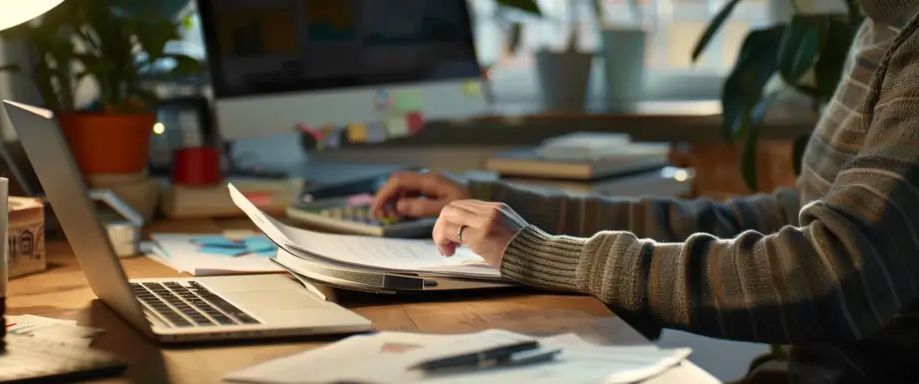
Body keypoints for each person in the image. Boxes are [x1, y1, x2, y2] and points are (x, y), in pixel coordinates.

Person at [370, 1, 919, 383]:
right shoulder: (883, 23)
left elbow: (834, 272)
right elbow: (793, 216)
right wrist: (511, 210)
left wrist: (543, 254)